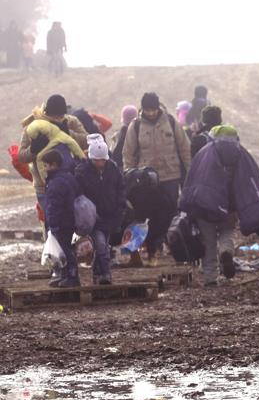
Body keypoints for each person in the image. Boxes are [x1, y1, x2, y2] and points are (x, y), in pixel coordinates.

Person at [123, 91, 191, 266]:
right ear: (143, 109)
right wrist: (130, 175)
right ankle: (151, 250)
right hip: (146, 180)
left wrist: (190, 172)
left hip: (170, 176)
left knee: (169, 214)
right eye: (148, 110)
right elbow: (128, 153)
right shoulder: (136, 126)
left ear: (158, 107)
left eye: (153, 109)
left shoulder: (170, 122)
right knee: (147, 215)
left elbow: (184, 148)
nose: (151, 113)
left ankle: (171, 249)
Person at [181, 125, 241, 286]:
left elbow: (193, 177)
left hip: (205, 207)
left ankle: (210, 277)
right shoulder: (239, 153)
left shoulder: (204, 154)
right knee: (227, 232)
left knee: (208, 241)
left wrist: (187, 202)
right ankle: (226, 251)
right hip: (229, 206)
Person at [75, 134, 126, 285]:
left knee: (102, 245)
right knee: (101, 244)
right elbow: (78, 194)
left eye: (102, 160)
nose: (100, 163)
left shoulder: (113, 169)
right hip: (93, 217)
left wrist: (120, 208)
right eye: (97, 160)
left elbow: (121, 189)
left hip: (111, 215)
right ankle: (105, 274)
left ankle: (98, 275)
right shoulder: (82, 171)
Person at [43, 149, 81, 287]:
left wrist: (52, 224)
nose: (45, 168)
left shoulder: (56, 182)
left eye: (46, 165)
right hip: (70, 219)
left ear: (53, 165)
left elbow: (54, 206)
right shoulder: (68, 177)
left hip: (61, 222)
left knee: (65, 249)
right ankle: (65, 276)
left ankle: (72, 276)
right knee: (64, 249)